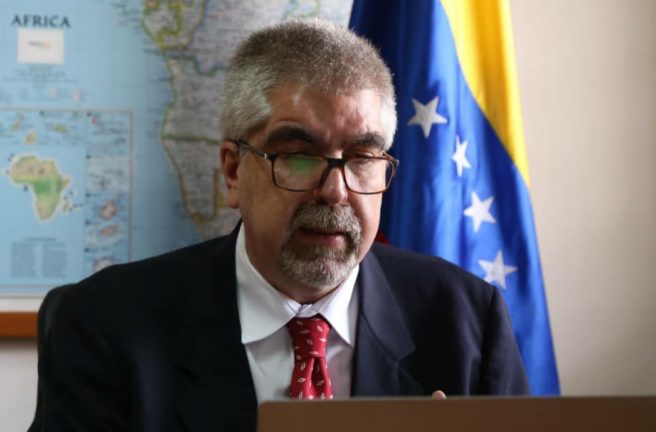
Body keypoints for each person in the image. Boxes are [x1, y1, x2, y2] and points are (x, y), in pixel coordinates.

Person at [29, 19, 528, 432]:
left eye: (362, 158)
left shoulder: (466, 320)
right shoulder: (105, 324)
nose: (336, 191)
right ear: (233, 172)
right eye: (298, 156)